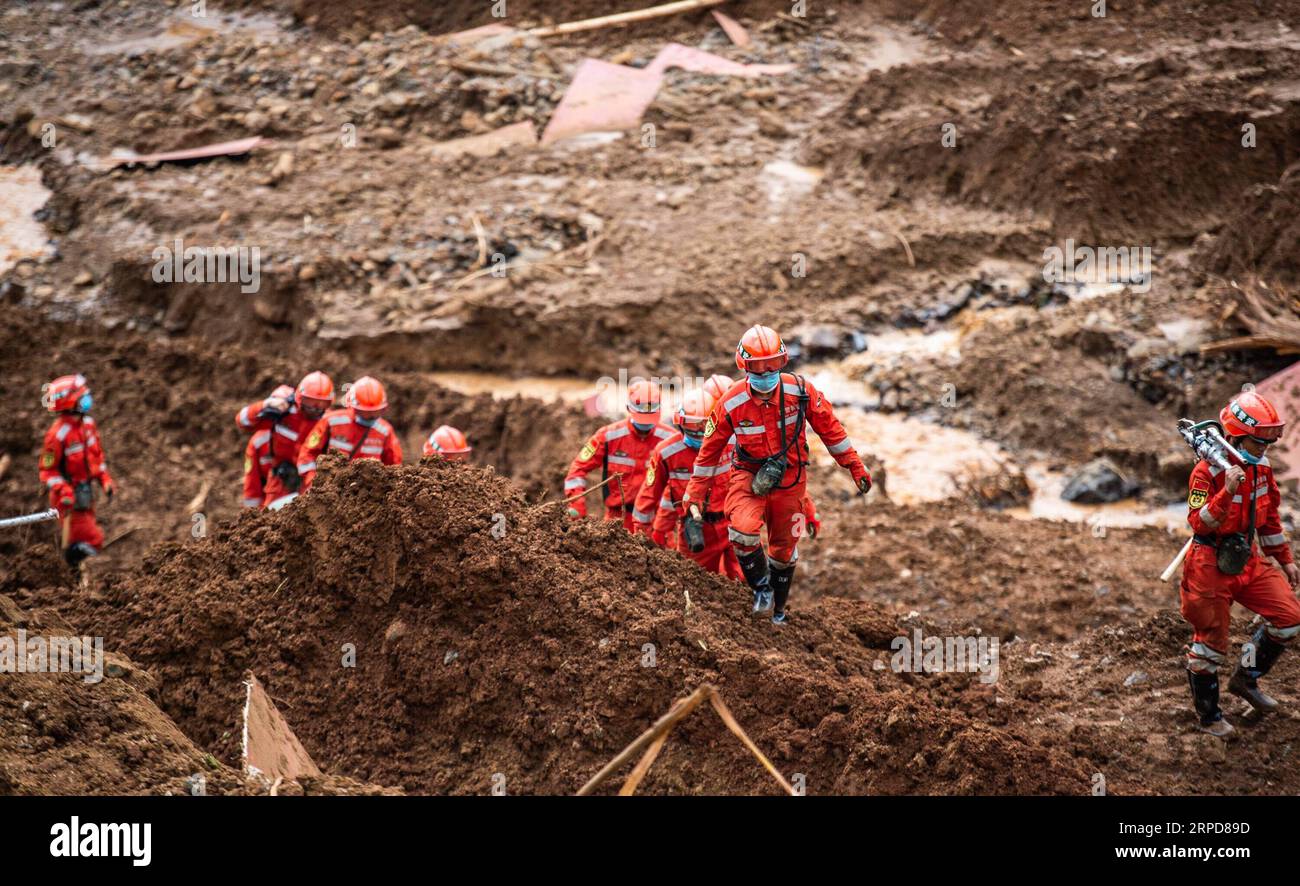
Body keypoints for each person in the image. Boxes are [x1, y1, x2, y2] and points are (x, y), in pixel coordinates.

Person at [684, 325, 871, 624]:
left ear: (783, 362)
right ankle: (762, 591)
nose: (766, 374)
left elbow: (830, 429)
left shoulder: (801, 392)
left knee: (784, 550)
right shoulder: (731, 403)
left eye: (772, 367)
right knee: (742, 531)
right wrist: (694, 493)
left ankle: (779, 613)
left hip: (791, 482)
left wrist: (853, 464)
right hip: (747, 476)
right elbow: (709, 452)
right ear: (745, 368)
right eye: (758, 369)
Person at [1179, 391, 1300, 739]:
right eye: (1256, 443)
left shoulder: (1261, 471)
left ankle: (1246, 679)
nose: (1262, 451)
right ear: (1234, 437)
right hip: (1208, 564)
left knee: (1289, 618)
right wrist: (1226, 491)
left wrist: (1285, 560)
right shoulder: (1205, 473)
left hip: (1246, 557)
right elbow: (1198, 522)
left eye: (1266, 445)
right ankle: (1210, 716)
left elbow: (1269, 520)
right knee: (1209, 647)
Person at [633, 388, 744, 579]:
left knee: (747, 582)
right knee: (695, 584)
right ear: (681, 424)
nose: (700, 432)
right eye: (694, 427)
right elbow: (649, 497)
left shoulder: (733, 442)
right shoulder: (667, 452)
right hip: (696, 529)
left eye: (705, 426)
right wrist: (643, 537)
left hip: (735, 523)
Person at [563, 379, 674, 530]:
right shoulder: (608, 436)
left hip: (656, 524)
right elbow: (577, 470)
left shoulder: (670, 440)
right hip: (617, 523)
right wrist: (577, 505)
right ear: (628, 408)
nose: (645, 424)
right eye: (641, 418)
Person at [38, 374, 116, 569]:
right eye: (82, 395)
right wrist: (64, 491)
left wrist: (105, 479)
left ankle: (76, 570)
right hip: (68, 500)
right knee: (92, 539)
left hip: (86, 494)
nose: (87, 397)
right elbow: (47, 472)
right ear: (69, 400)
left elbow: (96, 457)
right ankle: (73, 569)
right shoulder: (57, 435)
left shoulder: (88, 425)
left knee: (87, 536)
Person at [236, 372, 334, 508]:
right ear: (300, 398)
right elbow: (243, 422)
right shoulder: (284, 412)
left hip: (310, 481)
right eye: (310, 403)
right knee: (270, 519)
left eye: (321, 404)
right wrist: (265, 405)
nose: (315, 408)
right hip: (280, 481)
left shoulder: (328, 423)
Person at [296, 376, 402, 492]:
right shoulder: (332, 421)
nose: (370, 417)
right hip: (327, 489)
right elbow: (308, 453)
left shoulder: (385, 431)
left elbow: (394, 468)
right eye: (365, 412)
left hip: (365, 495)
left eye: (375, 412)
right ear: (352, 406)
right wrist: (314, 481)